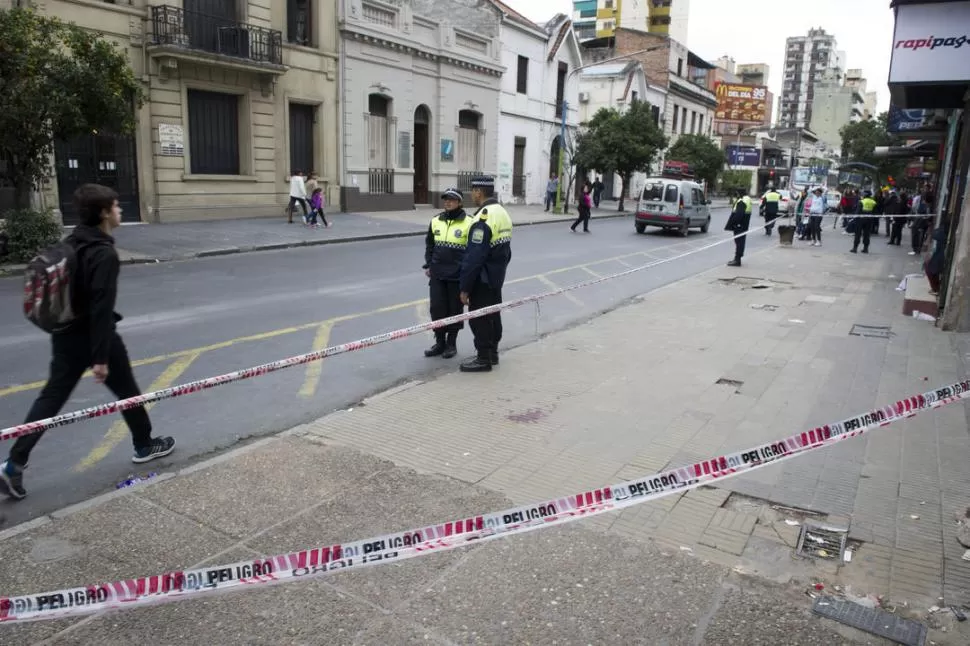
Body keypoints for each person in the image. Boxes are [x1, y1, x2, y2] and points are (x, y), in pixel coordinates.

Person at [0, 185, 176, 501]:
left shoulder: (72, 242)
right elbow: (100, 307)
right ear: (105, 213)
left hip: (65, 335)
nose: (121, 210)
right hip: (98, 338)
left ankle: (13, 464)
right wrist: (100, 357)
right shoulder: (104, 254)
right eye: (117, 206)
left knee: (50, 399)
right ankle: (144, 445)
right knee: (128, 393)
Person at [459, 176, 513, 373]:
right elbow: (507, 252)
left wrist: (465, 287)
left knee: (479, 318)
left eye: (472, 191)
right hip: (496, 277)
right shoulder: (502, 213)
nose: (471, 195)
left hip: (482, 279)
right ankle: (492, 353)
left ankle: (483, 358)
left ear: (478, 192)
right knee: (493, 315)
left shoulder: (484, 217)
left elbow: (474, 257)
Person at [422, 188, 472, 360]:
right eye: (446, 199)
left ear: (460, 202)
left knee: (454, 310)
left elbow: (472, 252)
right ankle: (439, 342)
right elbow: (430, 245)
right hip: (437, 275)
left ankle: (451, 344)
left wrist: (466, 273)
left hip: (456, 276)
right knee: (437, 309)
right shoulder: (436, 220)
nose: (448, 202)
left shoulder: (469, 222)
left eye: (452, 199)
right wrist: (429, 264)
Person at [726, 189, 752, 267]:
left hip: (739, 225)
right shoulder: (747, 199)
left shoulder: (742, 201)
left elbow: (739, 215)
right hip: (744, 225)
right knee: (741, 242)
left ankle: (737, 260)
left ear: (739, 193)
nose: (736, 195)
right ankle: (737, 259)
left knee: (739, 242)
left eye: (737, 193)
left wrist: (734, 223)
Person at [924, 217, 949, 295]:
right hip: (938, 253)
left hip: (940, 255)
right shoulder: (942, 231)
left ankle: (936, 289)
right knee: (930, 268)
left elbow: (935, 235)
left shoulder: (942, 233)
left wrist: (930, 230)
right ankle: (936, 288)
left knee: (930, 268)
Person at [910, 189, 931, 256]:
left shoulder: (926, 206)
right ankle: (916, 248)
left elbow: (927, 215)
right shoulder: (923, 204)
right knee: (916, 234)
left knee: (918, 235)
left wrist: (923, 219)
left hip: (920, 222)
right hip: (918, 221)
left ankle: (916, 249)